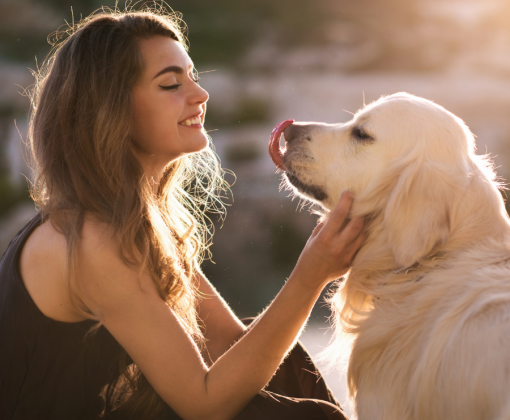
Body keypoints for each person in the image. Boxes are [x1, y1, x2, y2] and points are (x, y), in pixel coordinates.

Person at [0, 6, 365, 420]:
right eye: (172, 83)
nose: (200, 94)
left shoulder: (138, 220)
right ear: (110, 110)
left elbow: (228, 343)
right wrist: (311, 274)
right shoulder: (90, 240)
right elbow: (204, 404)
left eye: (193, 76)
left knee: (286, 362)